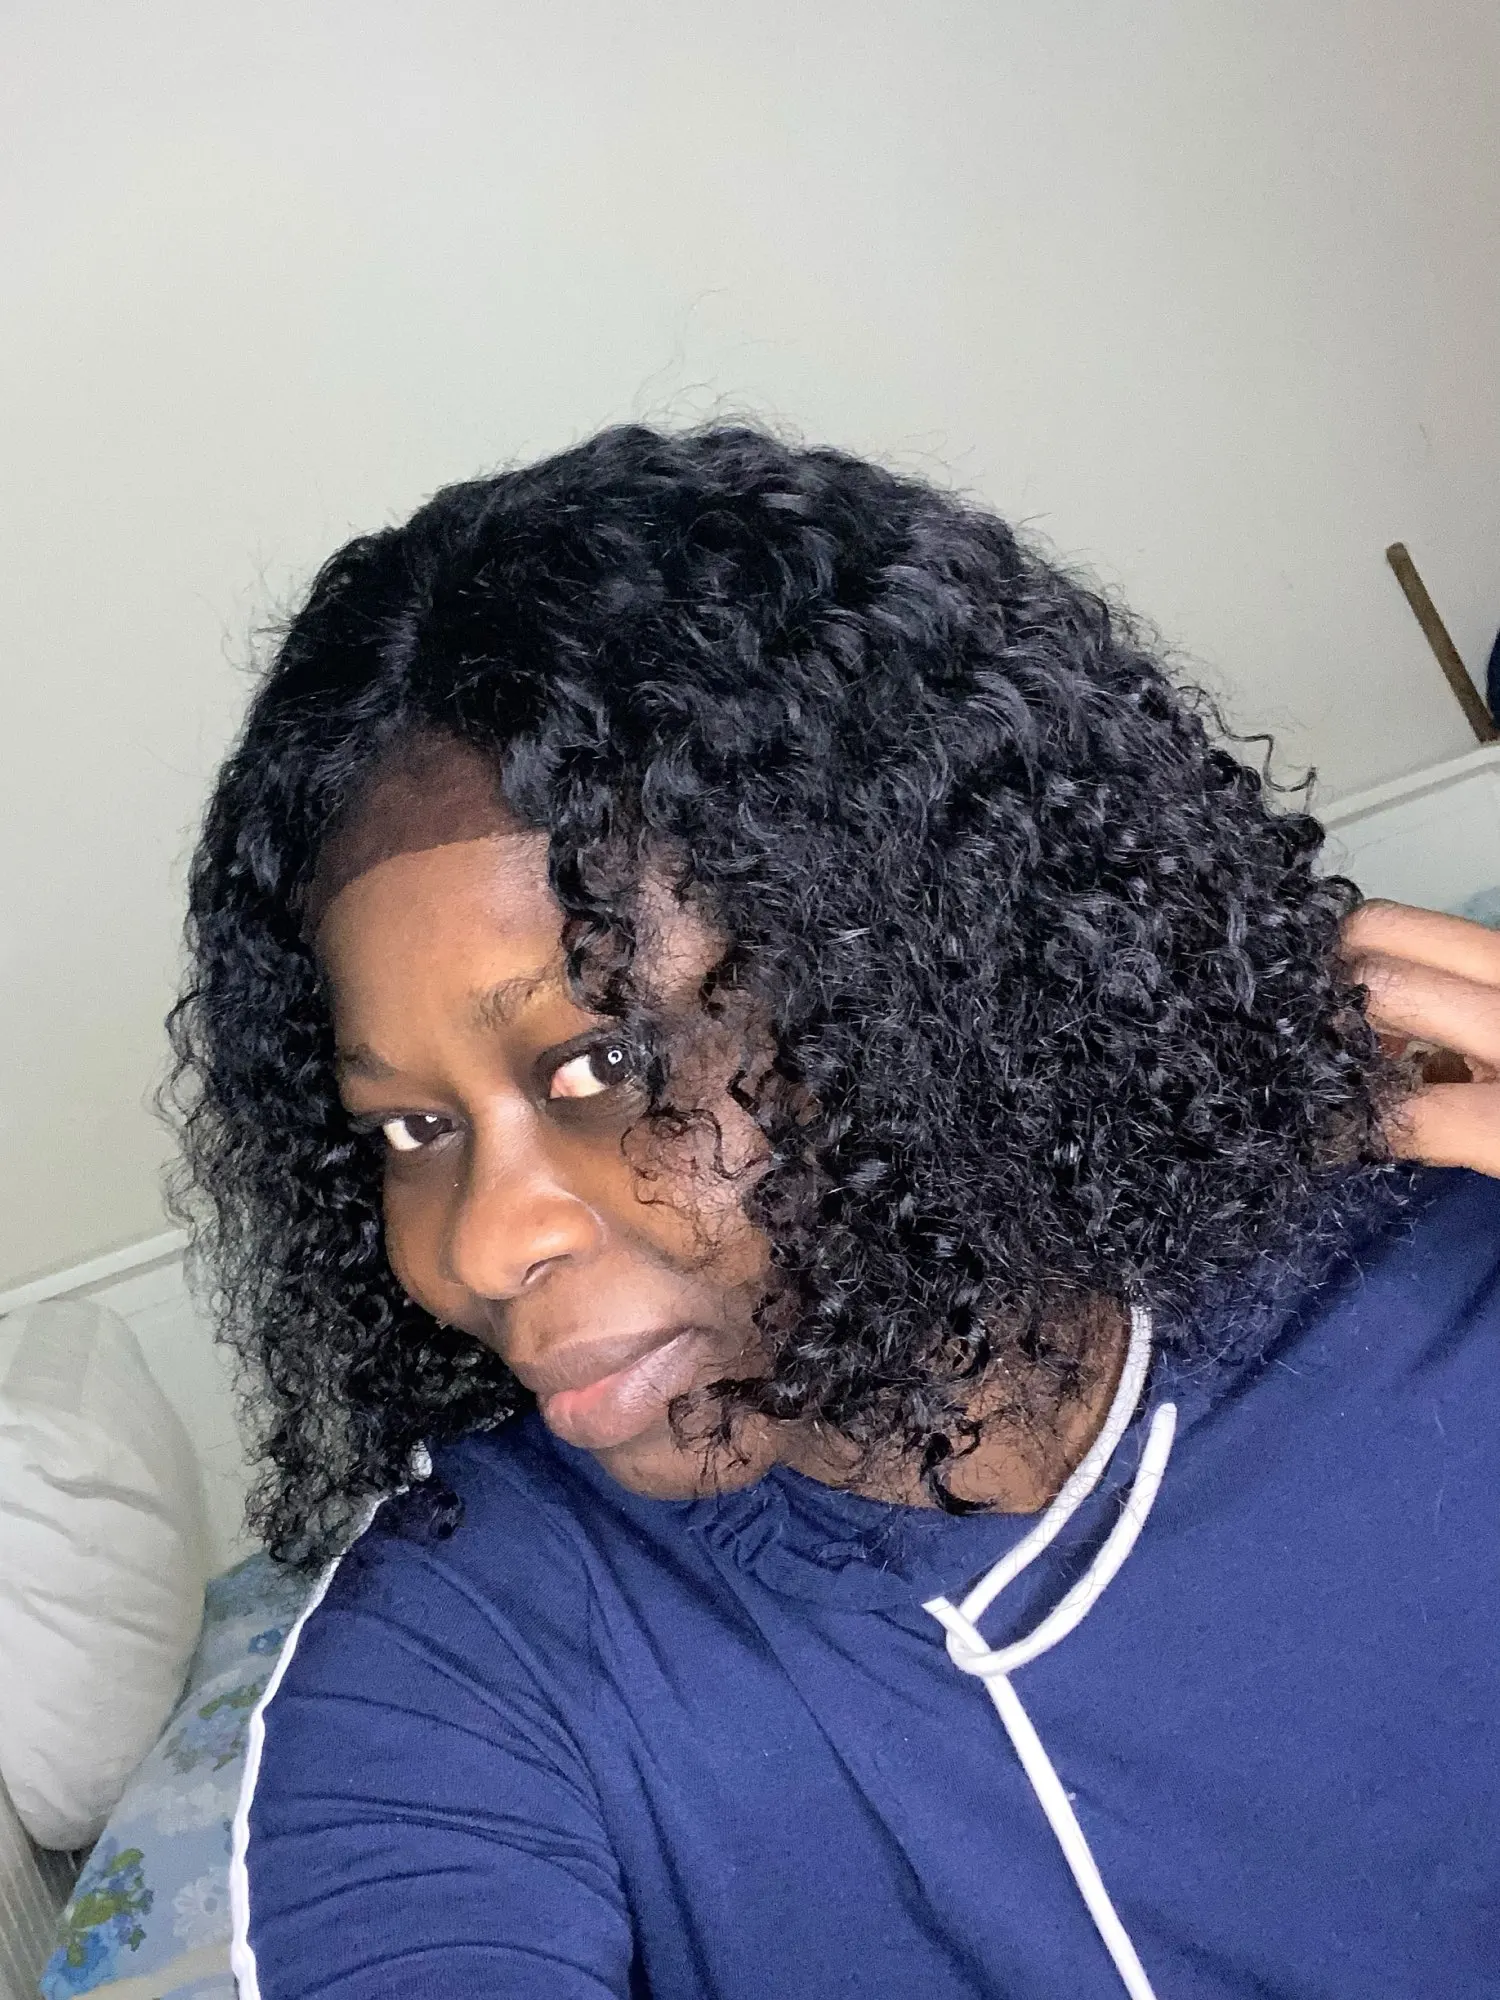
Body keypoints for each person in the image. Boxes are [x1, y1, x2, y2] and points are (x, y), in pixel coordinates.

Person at [170, 426, 1499, 2000]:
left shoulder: (1438, 1287)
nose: (479, 1242)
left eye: (603, 1061)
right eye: (413, 1128)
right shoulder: (467, 1667)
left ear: (927, 967)